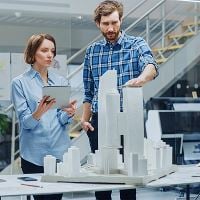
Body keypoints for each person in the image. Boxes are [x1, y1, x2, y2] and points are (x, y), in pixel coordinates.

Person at [81, 1, 158, 200]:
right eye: (105, 23)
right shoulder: (91, 52)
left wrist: (142, 78)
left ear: (121, 20)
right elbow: (88, 91)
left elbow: (151, 65)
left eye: (115, 22)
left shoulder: (136, 44)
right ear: (98, 23)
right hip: (99, 121)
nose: (111, 28)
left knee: (128, 178)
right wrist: (85, 119)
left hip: (128, 119)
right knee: (102, 178)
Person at [11, 33, 76, 200]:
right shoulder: (20, 83)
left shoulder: (61, 80)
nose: (50, 55)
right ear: (33, 53)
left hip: (59, 153)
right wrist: (39, 112)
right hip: (34, 155)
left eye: (52, 51)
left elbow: (61, 120)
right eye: (44, 50)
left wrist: (68, 114)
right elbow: (26, 123)